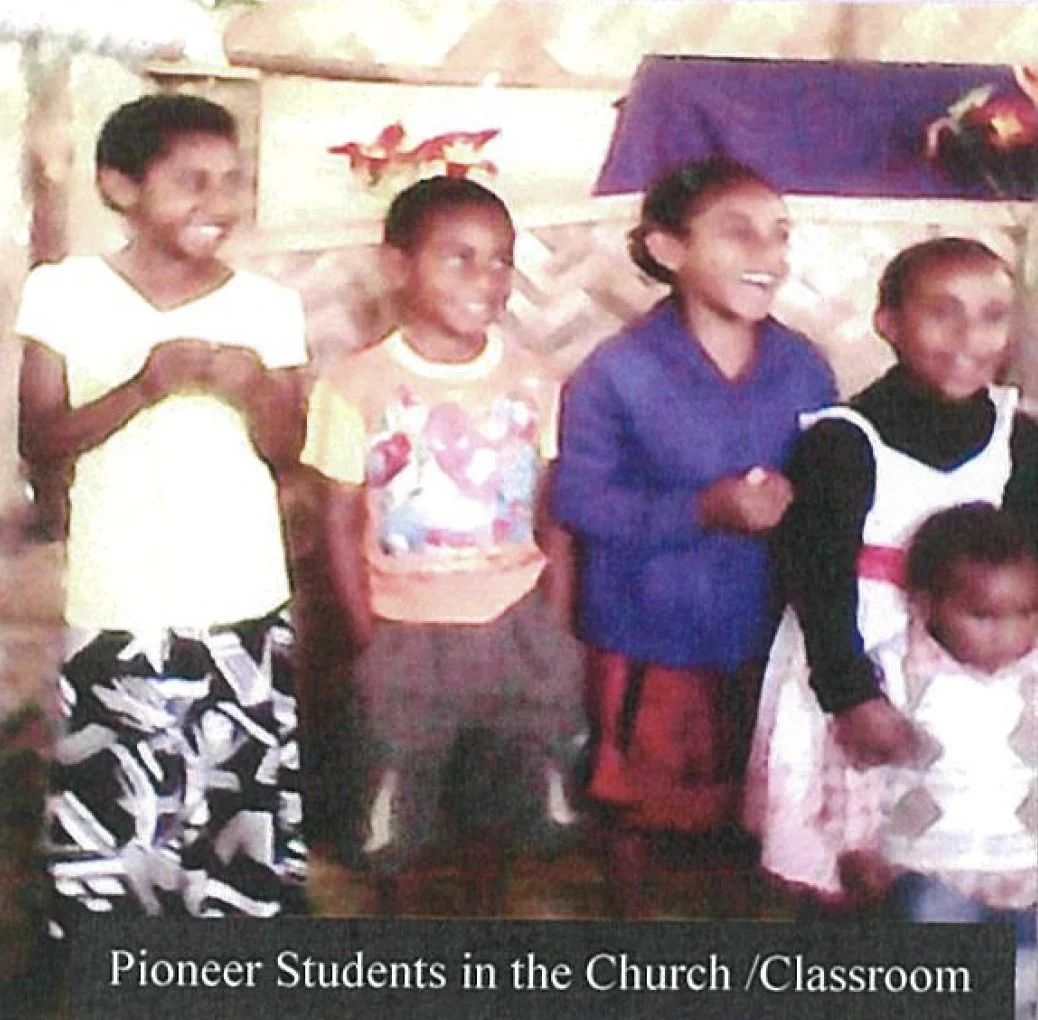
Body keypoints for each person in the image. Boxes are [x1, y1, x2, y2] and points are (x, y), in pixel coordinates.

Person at [17, 94, 309, 927]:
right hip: (120, 600)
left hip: (240, 598)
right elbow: (40, 439)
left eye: (232, 182)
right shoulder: (66, 292)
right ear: (119, 188)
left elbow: (288, 449)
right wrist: (144, 384)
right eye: (191, 182)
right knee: (117, 808)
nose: (218, 203)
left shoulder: (266, 306)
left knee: (232, 816)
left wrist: (255, 390)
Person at [552, 156, 837, 917]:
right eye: (739, 234)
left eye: (779, 235)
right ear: (669, 250)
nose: (769, 256)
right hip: (648, 625)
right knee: (634, 801)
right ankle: (633, 936)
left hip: (761, 624)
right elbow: (580, 499)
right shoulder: (617, 371)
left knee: (754, 797)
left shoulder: (803, 367)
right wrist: (701, 510)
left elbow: (829, 486)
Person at [301, 175, 584, 916]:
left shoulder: (535, 380)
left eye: (501, 261)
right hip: (403, 631)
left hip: (515, 624)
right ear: (398, 267)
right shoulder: (354, 384)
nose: (486, 279)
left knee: (507, 791)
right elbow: (337, 519)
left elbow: (553, 512)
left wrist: (552, 624)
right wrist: (368, 634)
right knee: (395, 801)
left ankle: (485, 917)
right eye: (459, 258)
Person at [746, 236, 1038, 904]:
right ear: (889, 322)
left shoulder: (1017, 436)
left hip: (984, 678)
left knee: (966, 831)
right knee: (849, 856)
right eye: (944, 312)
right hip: (857, 661)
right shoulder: (843, 441)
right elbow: (817, 579)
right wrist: (851, 696)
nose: (970, 336)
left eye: (992, 315)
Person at [871, 504, 1036, 1019]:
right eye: (983, 616)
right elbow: (854, 769)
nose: (1008, 634)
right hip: (934, 868)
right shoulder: (896, 673)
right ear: (926, 605)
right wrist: (855, 844)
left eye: (1027, 613)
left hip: (1030, 871)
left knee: (1026, 985)